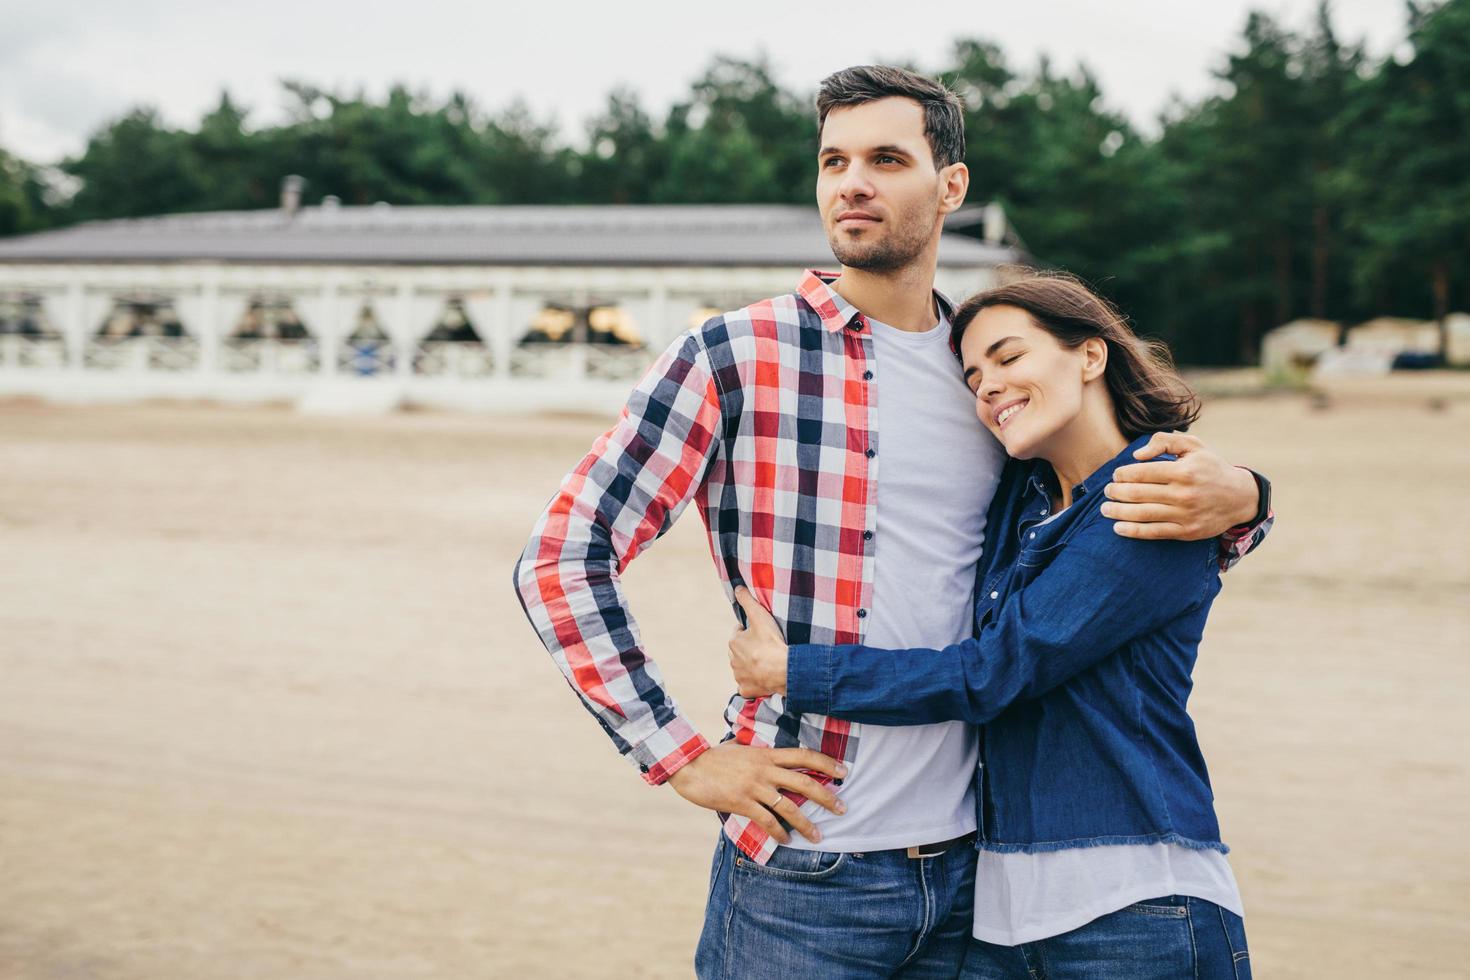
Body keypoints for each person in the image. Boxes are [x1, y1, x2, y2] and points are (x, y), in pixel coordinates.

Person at [513, 65, 1270, 978]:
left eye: (885, 158)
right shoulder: (737, 355)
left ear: (950, 185)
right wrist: (677, 757)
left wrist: (1249, 498)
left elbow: (1094, 522)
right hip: (805, 869)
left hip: (977, 877)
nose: (852, 183)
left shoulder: (986, 376)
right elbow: (561, 558)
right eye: (833, 161)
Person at [727, 271, 1266, 978]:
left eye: (1009, 359)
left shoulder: (1147, 503)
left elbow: (992, 673)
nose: (987, 387)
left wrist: (792, 671)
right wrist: (1256, 499)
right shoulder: (1028, 495)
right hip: (1002, 919)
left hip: (1137, 906)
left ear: (1091, 356)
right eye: (974, 375)